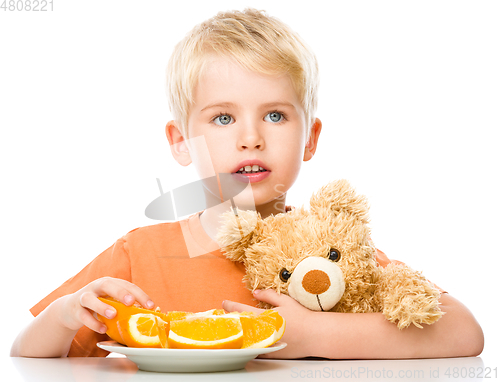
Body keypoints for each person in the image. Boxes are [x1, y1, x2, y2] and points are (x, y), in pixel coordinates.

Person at [11, 8, 483, 359]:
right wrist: (67, 313)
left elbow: (464, 332)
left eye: (275, 115)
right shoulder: (140, 256)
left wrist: (308, 336)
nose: (251, 138)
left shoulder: (333, 252)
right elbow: (27, 359)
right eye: (222, 118)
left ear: (310, 138)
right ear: (181, 142)